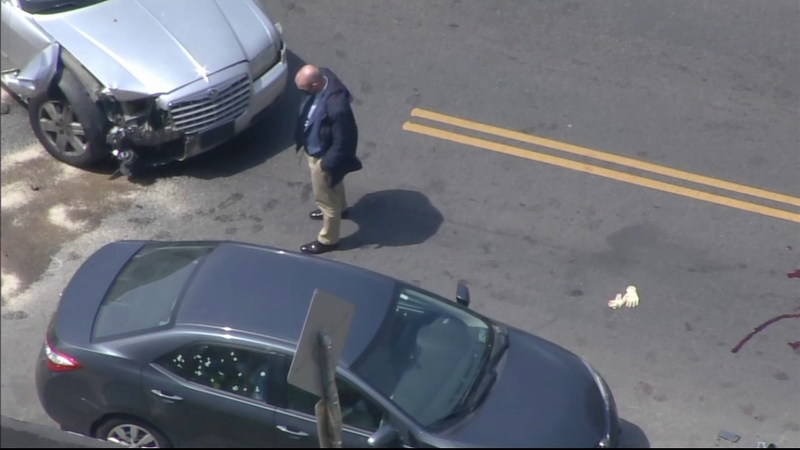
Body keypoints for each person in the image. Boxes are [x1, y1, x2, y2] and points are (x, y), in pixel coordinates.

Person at [294, 64, 362, 254]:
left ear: (315, 84)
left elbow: (344, 140)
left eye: (304, 89)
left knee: (325, 200)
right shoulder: (322, 78)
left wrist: (326, 164)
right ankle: (341, 209)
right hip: (314, 149)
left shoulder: (337, 108)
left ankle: (328, 239)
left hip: (323, 156)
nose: (302, 93)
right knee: (334, 184)